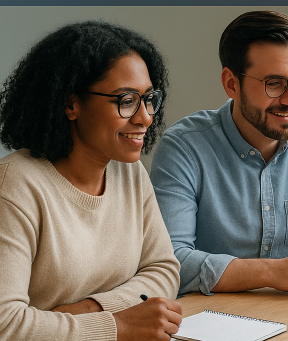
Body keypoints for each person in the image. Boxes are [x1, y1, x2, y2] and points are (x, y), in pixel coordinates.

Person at [150, 11, 288, 296]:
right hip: (210, 320)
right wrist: (274, 272)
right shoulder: (184, 147)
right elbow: (171, 262)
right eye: (273, 84)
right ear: (231, 84)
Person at [0, 21, 182, 341]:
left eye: (149, 98)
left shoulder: (129, 173)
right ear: (71, 104)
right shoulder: (14, 186)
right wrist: (120, 326)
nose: (144, 117)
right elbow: (6, 324)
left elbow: (163, 270)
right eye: (126, 100)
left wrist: (93, 309)